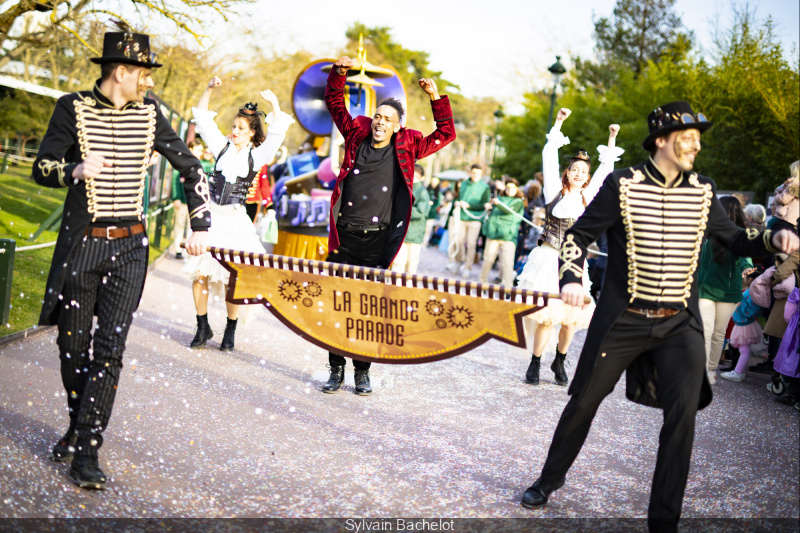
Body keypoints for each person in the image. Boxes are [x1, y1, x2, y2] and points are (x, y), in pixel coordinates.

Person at [520, 101, 800, 533]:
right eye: (690, 139)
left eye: (699, 140)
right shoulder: (621, 184)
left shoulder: (704, 190)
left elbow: (736, 238)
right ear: (663, 141)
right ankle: (547, 480)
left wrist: (773, 234)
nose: (697, 147)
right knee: (584, 401)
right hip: (623, 318)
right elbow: (578, 236)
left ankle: (663, 520)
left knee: (683, 415)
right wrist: (572, 277)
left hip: (678, 324)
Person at [32, 31, 211, 490]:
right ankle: (77, 426)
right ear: (121, 72)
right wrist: (73, 169)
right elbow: (42, 165)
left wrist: (200, 225)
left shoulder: (152, 115)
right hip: (83, 246)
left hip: (131, 247)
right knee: (72, 349)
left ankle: (88, 449)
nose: (148, 83)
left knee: (110, 352)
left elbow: (191, 168)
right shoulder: (71, 108)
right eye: (144, 74)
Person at [322, 55, 456, 395]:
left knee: (366, 309)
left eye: (388, 119)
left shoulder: (408, 144)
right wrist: (340, 73)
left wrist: (435, 98)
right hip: (345, 235)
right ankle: (335, 369)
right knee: (338, 305)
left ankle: (362, 372)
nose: (380, 122)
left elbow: (446, 133)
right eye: (378, 117)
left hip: (378, 241)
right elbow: (335, 104)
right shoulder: (356, 132)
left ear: (398, 125)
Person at [184, 75, 293, 352]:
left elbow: (278, 132)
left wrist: (275, 103)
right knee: (200, 275)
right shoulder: (221, 147)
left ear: (252, 133)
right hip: (210, 219)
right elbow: (203, 121)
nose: (234, 131)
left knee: (234, 278)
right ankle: (201, 326)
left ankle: (230, 330)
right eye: (234, 126)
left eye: (241, 128)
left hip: (235, 221)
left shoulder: (257, 156)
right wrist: (208, 88)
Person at [516, 109, 622, 386]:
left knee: (570, 320)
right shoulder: (554, 190)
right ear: (568, 172)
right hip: (549, 258)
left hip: (575, 263)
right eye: (574, 169)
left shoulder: (589, 196)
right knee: (547, 317)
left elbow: (605, 170)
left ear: (587, 178)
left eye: (583, 171)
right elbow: (548, 156)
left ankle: (560, 360)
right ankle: (535, 363)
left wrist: (612, 138)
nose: (578, 173)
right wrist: (560, 122)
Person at [697, 196, 753, 385]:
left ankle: (711, 369)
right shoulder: (705, 229)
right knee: (705, 330)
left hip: (727, 293)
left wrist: (746, 267)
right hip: (704, 290)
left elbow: (745, 255)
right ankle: (702, 370)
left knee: (718, 333)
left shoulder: (739, 234)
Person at [719, 270, 764, 382]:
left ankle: (738, 372)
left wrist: (740, 301)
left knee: (744, 350)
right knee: (744, 349)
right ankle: (740, 371)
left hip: (744, 323)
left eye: (746, 276)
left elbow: (750, 309)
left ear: (750, 280)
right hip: (744, 322)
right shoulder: (753, 291)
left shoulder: (751, 292)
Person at [479, 177, 525, 286]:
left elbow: (508, 211)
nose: (509, 190)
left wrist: (498, 203)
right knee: (488, 260)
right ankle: (482, 282)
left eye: (512, 188)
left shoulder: (518, 202)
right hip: (493, 234)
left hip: (508, 236)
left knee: (507, 263)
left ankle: (507, 287)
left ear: (516, 189)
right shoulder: (499, 198)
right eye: (507, 188)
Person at [170, 140, 212, 259]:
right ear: (191, 149)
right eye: (197, 149)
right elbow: (174, 179)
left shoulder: (202, 164)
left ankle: (189, 250)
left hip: (195, 202)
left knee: (191, 226)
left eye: (200, 150)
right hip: (182, 200)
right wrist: (176, 197)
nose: (200, 152)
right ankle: (178, 248)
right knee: (179, 223)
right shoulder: (182, 161)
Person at [446, 164, 490, 276]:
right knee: (459, 241)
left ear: (481, 174)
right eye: (474, 173)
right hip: (461, 217)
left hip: (475, 219)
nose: (475, 175)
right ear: (470, 172)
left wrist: (469, 205)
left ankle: (468, 267)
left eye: (478, 173)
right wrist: (457, 202)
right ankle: (458, 261)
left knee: (471, 243)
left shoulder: (485, 187)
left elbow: (484, 205)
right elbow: (459, 198)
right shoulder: (464, 184)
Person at [391, 164, 431, 274]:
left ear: (421, 177)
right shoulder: (404, 187)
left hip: (414, 232)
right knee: (400, 262)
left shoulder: (422, 192)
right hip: (403, 231)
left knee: (410, 264)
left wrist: (402, 211)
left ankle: (406, 287)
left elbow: (420, 212)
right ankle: (397, 286)